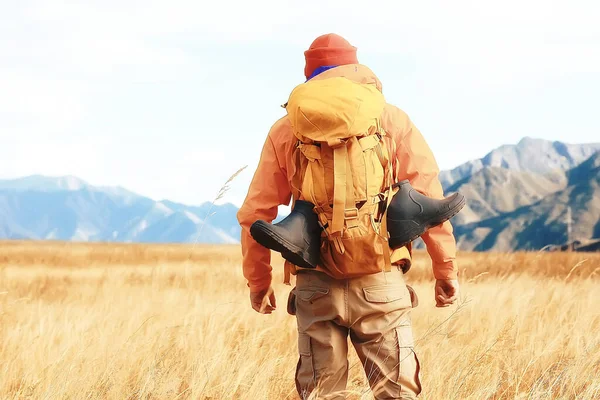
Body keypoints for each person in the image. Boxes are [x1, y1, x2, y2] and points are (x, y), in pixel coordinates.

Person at [237, 33, 460, 400]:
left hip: (315, 285)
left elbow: (255, 215)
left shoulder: (286, 128)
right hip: (381, 281)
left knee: (322, 394)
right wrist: (445, 271)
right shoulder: (391, 119)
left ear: (310, 75)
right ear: (356, 68)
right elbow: (429, 201)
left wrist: (259, 284)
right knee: (397, 394)